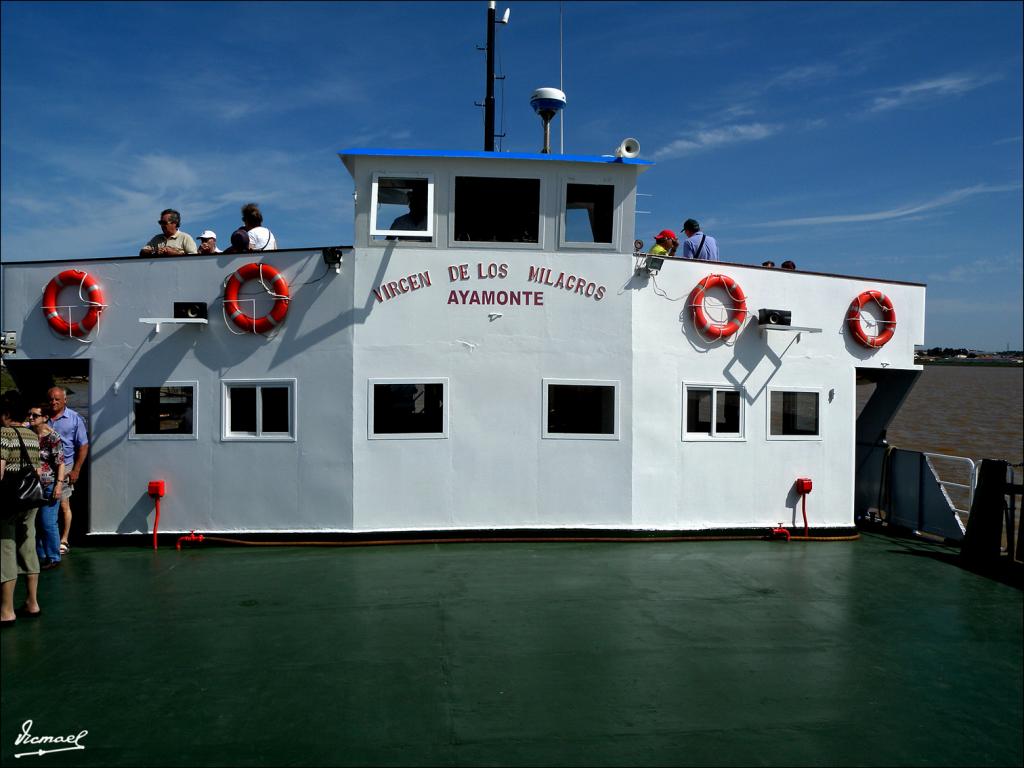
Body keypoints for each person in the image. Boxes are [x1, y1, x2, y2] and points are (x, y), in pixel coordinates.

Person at [1, 393, 43, 625]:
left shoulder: (3, 434)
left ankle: (6, 610)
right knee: (28, 545)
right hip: (30, 498)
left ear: (6, 414)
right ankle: (32, 602)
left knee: (5, 547)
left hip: (8, 500)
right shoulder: (32, 435)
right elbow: (36, 468)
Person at [46, 386, 89, 557]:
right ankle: (49, 539)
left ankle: (64, 539)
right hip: (45, 466)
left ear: (65, 400)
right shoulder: (42, 417)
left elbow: (83, 445)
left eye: (57, 399)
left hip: (66, 465)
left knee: (63, 504)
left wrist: (76, 470)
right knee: (47, 503)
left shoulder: (74, 419)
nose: (54, 402)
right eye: (51, 399)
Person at [28, 404, 65, 570]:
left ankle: (53, 557)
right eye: (29, 415)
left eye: (34, 415)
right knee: (34, 521)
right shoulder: (28, 434)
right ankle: (39, 554)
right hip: (31, 485)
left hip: (49, 484)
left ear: (44, 418)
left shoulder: (53, 437)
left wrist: (59, 485)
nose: (30, 418)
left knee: (48, 522)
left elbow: (60, 463)